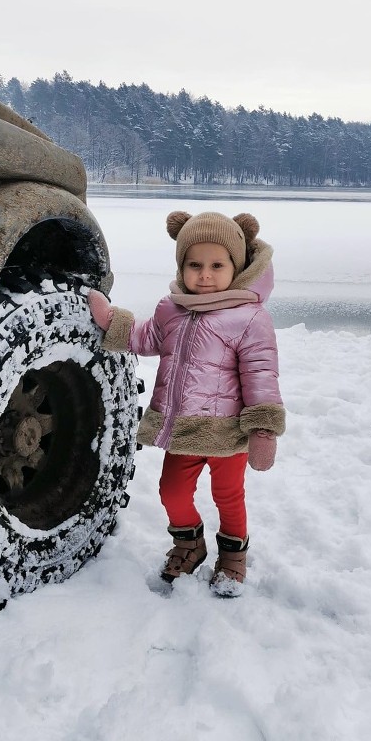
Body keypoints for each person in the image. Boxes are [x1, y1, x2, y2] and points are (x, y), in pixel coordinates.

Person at [88, 210, 285, 596]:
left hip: (228, 433)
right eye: (195, 265)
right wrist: (113, 322)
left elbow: (261, 373)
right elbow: (145, 338)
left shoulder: (249, 318)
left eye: (217, 265)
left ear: (237, 266)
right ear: (182, 266)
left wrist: (263, 427)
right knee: (171, 491)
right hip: (182, 429)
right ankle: (189, 543)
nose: (205, 275)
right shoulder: (171, 308)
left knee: (228, 496)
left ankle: (233, 556)